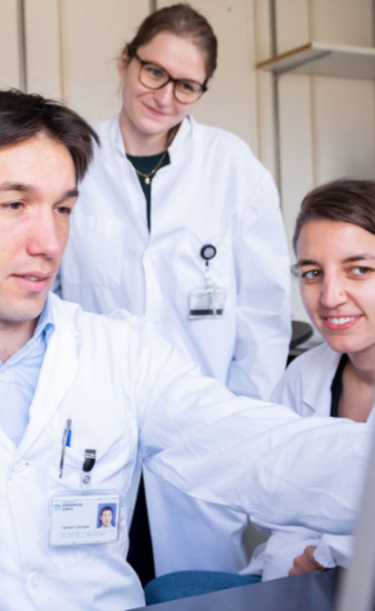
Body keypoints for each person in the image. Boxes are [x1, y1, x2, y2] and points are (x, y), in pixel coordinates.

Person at [0, 90, 370, 611]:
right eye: (14, 205)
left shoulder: (122, 353)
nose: (49, 240)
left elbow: (258, 450)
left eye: (62, 208)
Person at [58, 3, 291, 578]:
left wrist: (236, 421)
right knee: (99, 576)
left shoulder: (232, 166)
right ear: (125, 62)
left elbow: (264, 315)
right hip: (94, 420)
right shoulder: (73, 158)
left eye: (187, 86)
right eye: (153, 72)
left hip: (201, 425)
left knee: (196, 584)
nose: (164, 96)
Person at [144, 179, 375, 605]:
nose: (330, 296)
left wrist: (330, 558)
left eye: (359, 269)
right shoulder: (304, 375)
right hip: (303, 581)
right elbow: (280, 518)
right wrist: (300, 568)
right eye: (312, 273)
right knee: (166, 592)